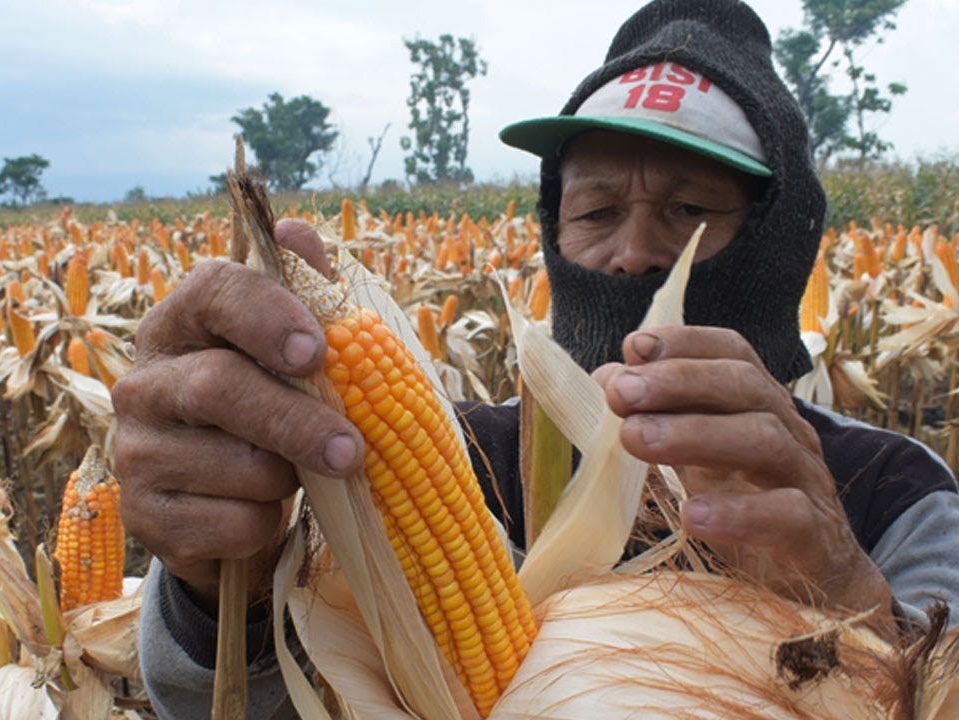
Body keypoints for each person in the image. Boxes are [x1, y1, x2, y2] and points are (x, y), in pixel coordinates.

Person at [111, 0, 959, 716]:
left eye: (689, 210)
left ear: (776, 248)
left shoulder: (895, 488)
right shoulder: (466, 456)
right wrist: (221, 581)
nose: (632, 254)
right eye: (594, 211)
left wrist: (850, 598)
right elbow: (252, 694)